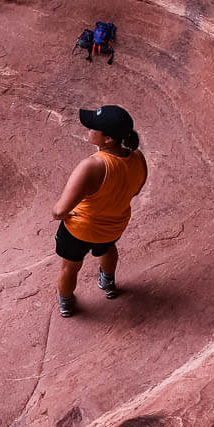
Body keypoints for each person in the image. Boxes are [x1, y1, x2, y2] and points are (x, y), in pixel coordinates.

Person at [51, 105, 147, 317]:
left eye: (93, 128)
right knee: (107, 248)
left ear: (108, 139)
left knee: (70, 267)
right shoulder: (138, 158)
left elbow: (58, 211)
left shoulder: (92, 166)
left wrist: (66, 215)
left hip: (80, 229)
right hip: (114, 225)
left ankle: (66, 304)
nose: (88, 130)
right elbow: (136, 190)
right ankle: (108, 283)